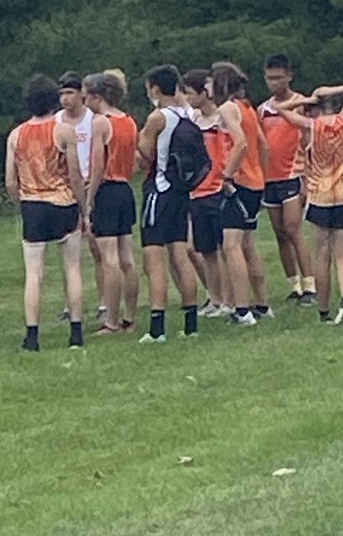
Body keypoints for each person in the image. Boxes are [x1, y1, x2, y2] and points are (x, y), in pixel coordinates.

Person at [6, 74, 85, 351]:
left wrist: (22, 203)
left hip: (33, 204)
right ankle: (76, 333)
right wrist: (83, 207)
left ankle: (32, 335)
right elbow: (75, 174)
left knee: (34, 273)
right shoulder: (64, 131)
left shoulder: (16, 135)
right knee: (72, 267)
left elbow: (10, 181)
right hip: (63, 202)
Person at [272, 84, 343, 324]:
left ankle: (323, 310)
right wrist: (330, 91)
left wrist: (307, 99)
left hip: (320, 198)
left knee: (322, 254)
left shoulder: (310, 127)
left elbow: (280, 108)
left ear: (312, 111)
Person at [136, 64, 200, 342]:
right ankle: (190, 323)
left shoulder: (157, 117)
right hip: (180, 191)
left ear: (154, 89)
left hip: (158, 189)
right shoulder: (188, 113)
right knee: (179, 253)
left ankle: (157, 327)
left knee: (154, 257)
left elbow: (145, 153)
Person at [209, 61, 272, 327]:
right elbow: (263, 144)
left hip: (239, 184)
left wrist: (227, 176)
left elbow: (241, 143)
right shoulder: (247, 108)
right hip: (255, 183)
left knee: (231, 245)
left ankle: (242, 310)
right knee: (247, 244)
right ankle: (263, 304)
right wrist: (262, 174)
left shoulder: (227, 108)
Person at [84, 69, 140, 335]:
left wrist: (89, 198)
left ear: (98, 96)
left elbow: (97, 163)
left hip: (107, 188)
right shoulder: (129, 121)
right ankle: (130, 316)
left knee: (109, 259)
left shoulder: (100, 122)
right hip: (125, 188)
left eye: (88, 98)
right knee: (127, 257)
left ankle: (112, 320)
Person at [259, 54, 317, 305]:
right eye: (269, 79)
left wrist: (308, 177)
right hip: (270, 178)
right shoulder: (263, 109)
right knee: (280, 233)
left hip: (294, 174)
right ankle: (293, 285)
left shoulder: (301, 103)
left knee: (294, 229)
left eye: (278, 78)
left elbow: (310, 139)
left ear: (289, 76)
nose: (274, 83)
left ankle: (311, 285)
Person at [55, 71, 106, 320]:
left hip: (89, 183)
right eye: (62, 93)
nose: (65, 99)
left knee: (98, 247)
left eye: (70, 93)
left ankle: (105, 301)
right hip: (64, 189)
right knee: (69, 250)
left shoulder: (92, 120)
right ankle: (69, 304)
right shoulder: (56, 121)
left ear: (80, 94)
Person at [183, 69, 232, 317]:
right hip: (197, 191)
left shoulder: (222, 117)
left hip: (217, 189)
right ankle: (215, 299)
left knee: (225, 248)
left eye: (191, 93)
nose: (188, 98)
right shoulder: (193, 120)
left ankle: (231, 300)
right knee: (206, 250)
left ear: (205, 92)